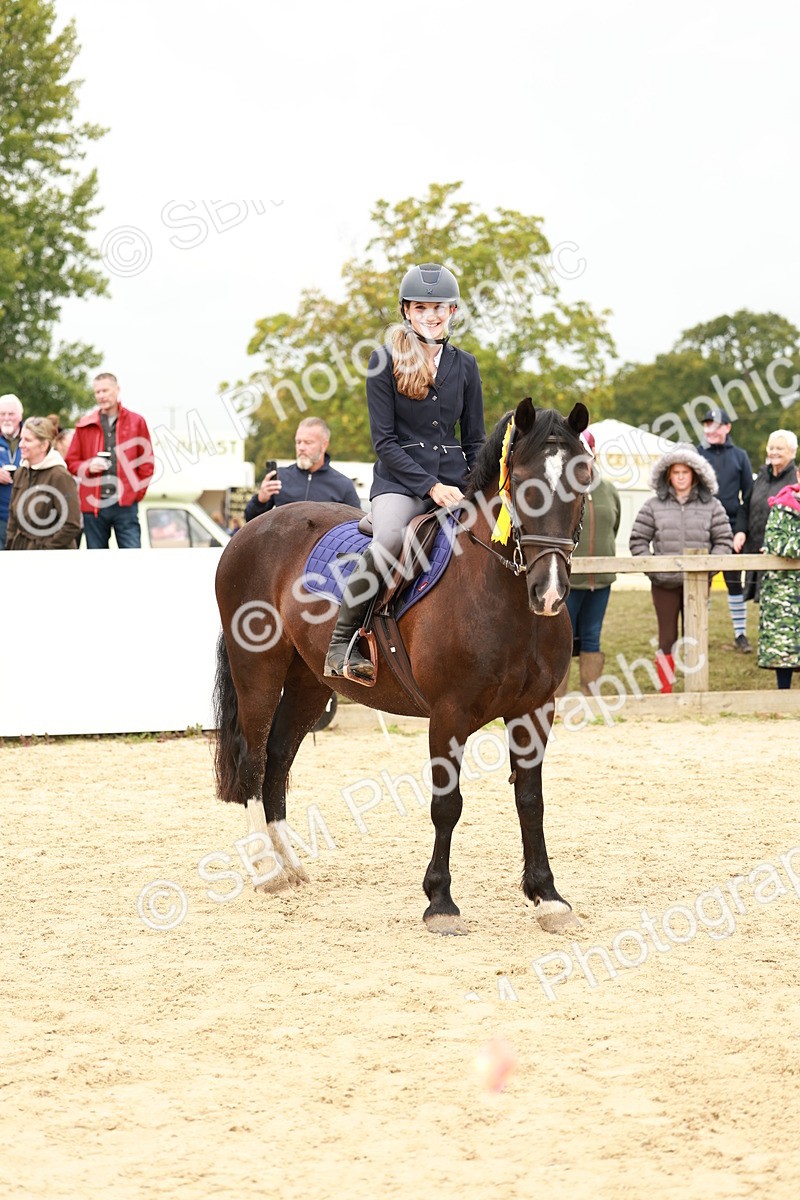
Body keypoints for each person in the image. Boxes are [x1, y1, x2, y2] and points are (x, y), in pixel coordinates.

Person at [324, 262, 485, 681]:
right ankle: (342, 643)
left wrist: (478, 488)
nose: (431, 315)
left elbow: (475, 441)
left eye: (440, 307)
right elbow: (385, 443)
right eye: (421, 307)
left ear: (453, 311)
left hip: (454, 480)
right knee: (391, 540)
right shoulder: (383, 362)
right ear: (406, 312)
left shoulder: (466, 366)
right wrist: (431, 487)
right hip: (400, 483)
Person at [629, 444, 732, 694]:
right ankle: (666, 690)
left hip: (697, 584)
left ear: (695, 474)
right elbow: (638, 541)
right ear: (668, 475)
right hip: (663, 584)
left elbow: (724, 542)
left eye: (686, 472)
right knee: (667, 638)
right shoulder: (652, 506)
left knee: (695, 638)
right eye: (676, 472)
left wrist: (706, 571)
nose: (681, 477)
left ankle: (696, 690)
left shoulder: (713, 506)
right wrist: (655, 570)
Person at [556, 430, 621, 696]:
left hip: (602, 580)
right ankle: (555, 697)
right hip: (570, 579)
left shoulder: (609, 490)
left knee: (593, 636)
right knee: (563, 640)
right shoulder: (562, 488)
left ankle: (590, 695)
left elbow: (614, 526)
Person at [65, 372, 154, 548]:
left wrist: (135, 494)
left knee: (132, 556)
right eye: (97, 392)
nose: (101, 396)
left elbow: (147, 464)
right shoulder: (84, 424)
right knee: (97, 563)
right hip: (94, 507)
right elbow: (71, 462)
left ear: (117, 389)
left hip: (125, 505)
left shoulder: (137, 421)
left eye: (105, 390)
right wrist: (89, 466)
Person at [696, 406, 754, 652]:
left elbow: (748, 498)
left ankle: (740, 635)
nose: (711, 429)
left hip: (731, 528)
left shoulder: (740, 456)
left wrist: (740, 530)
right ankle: (699, 634)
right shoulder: (696, 454)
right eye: (707, 424)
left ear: (727, 427)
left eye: (716, 424)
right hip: (701, 527)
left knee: (733, 582)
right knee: (701, 584)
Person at [243, 417, 360, 522]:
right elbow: (250, 520)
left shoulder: (343, 485)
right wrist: (260, 500)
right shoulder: (281, 477)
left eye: (308, 443)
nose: (301, 448)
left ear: (324, 445)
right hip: (284, 545)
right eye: (298, 442)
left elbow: (356, 527)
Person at [737, 429, 798, 603]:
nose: (774, 452)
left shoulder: (796, 480)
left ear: (792, 452)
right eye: (771, 447)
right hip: (756, 547)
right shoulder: (760, 477)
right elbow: (745, 507)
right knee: (761, 602)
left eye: (780, 448)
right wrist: (740, 531)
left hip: (784, 556)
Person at [4, 416, 81, 550]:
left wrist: (45, 551)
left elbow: (71, 524)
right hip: (21, 551)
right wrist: (9, 549)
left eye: (27, 440)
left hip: (52, 557)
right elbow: (13, 518)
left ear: (44, 445)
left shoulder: (60, 476)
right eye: (21, 439)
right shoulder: (21, 473)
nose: (21, 444)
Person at [757, 478, 800, 689]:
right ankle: (782, 700)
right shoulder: (783, 506)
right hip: (785, 591)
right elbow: (776, 543)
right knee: (785, 651)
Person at [0, 393, 24, 549]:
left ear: (20, 416)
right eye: (2, 414)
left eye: (11, 414)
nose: (6, 418)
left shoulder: (31, 436)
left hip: (27, 514)